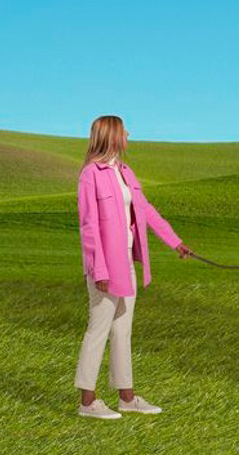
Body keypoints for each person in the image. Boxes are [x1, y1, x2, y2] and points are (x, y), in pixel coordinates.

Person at [74, 114, 192, 419]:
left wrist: (174, 241)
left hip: (126, 262)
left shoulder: (125, 172)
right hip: (105, 266)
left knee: (122, 330)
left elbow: (146, 210)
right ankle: (87, 402)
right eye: (124, 130)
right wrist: (98, 269)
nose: (128, 134)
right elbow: (88, 227)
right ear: (112, 135)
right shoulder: (91, 174)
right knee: (98, 329)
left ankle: (127, 397)